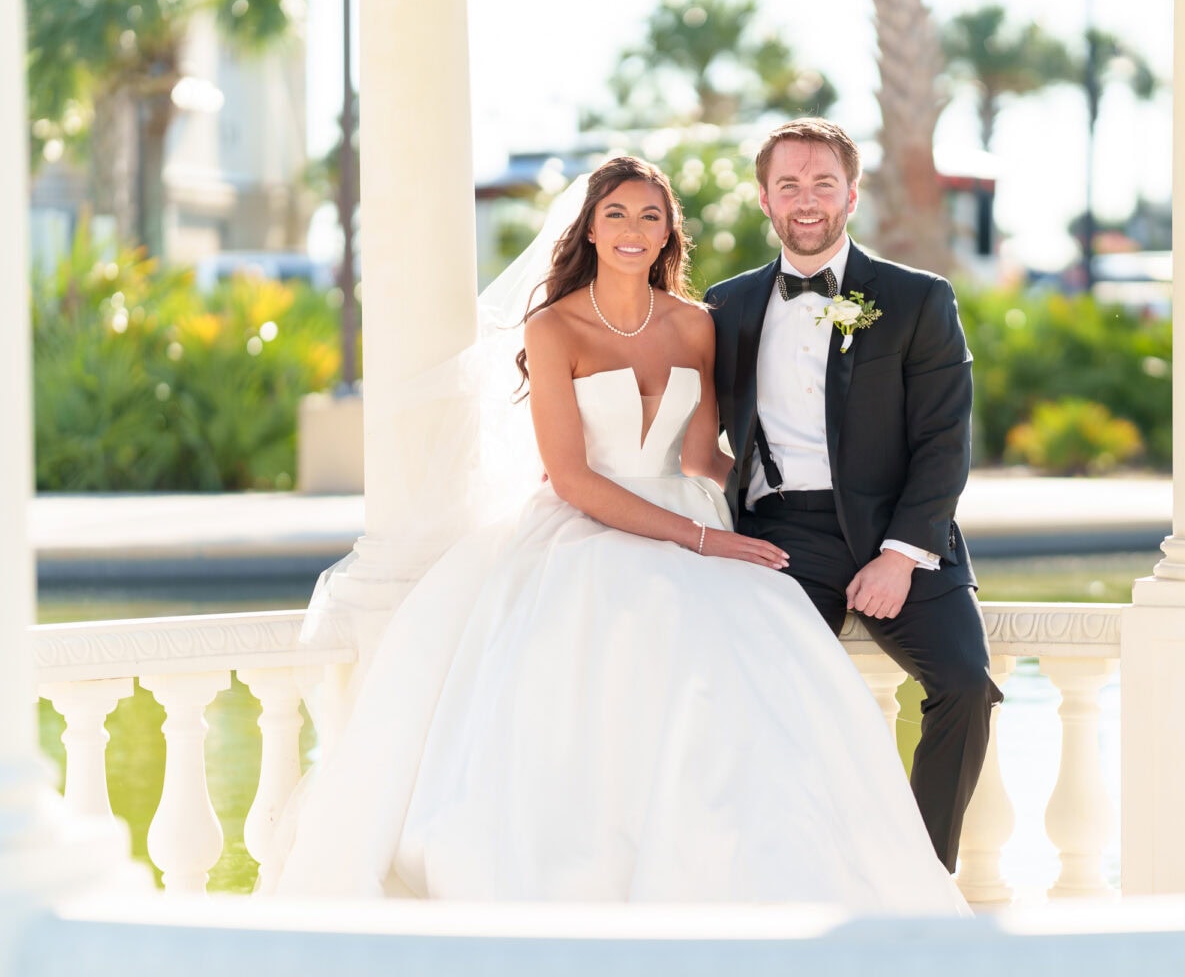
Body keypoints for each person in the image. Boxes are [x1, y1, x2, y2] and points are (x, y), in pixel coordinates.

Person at [259, 156, 968, 914]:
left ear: (669, 233)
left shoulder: (696, 324)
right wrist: (702, 543)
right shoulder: (552, 325)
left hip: (693, 510)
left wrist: (811, 490)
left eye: (650, 217)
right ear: (590, 229)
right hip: (586, 523)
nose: (633, 231)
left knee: (760, 653)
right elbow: (571, 478)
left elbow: (700, 454)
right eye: (618, 216)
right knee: (625, 632)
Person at [705, 119, 1001, 874]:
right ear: (765, 199)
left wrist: (902, 555)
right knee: (767, 699)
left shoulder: (917, 298)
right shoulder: (725, 307)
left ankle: (921, 877)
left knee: (966, 687)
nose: (807, 201)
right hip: (782, 535)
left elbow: (945, 439)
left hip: (899, 529)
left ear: (852, 192)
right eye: (789, 185)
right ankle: (792, 874)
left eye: (823, 183)